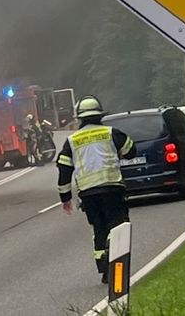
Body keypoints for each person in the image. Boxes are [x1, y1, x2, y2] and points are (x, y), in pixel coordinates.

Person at [56, 95, 136, 284]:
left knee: (99, 228)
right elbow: (131, 151)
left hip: (89, 194)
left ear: (80, 118)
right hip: (112, 189)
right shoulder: (111, 133)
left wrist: (65, 198)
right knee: (118, 227)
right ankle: (119, 267)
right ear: (100, 115)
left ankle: (104, 268)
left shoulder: (72, 141)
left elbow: (64, 170)